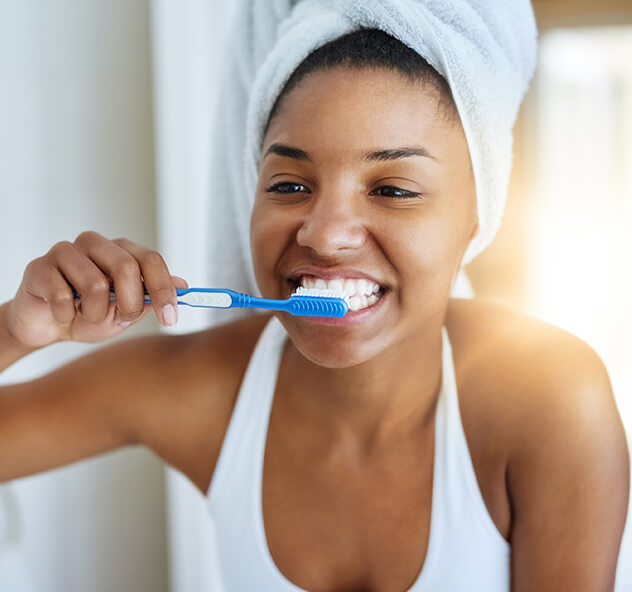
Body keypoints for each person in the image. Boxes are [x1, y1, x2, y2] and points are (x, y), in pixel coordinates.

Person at [1, 22, 630, 592]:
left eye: (393, 189)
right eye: (290, 185)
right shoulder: (206, 390)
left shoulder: (549, 401)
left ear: (476, 219)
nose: (325, 236)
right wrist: (16, 330)